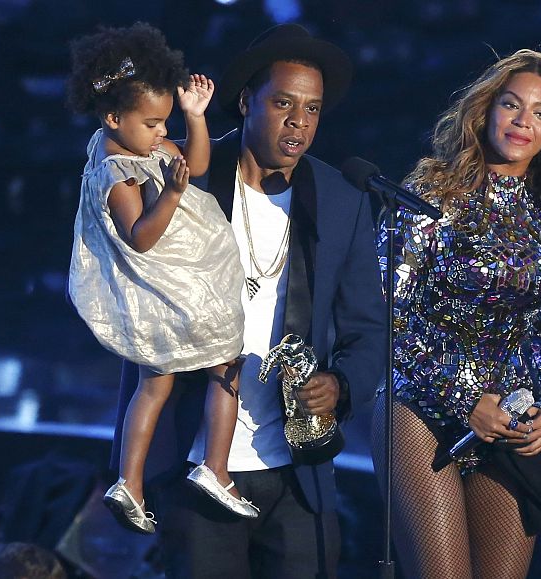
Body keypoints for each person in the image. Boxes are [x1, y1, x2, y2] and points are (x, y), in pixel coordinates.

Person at [110, 23, 386, 578]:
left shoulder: (341, 200)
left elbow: (368, 327)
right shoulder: (188, 177)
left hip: (296, 470)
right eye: (283, 103)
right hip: (195, 460)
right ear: (245, 102)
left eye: (312, 109)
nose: (298, 122)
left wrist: (340, 384)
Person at [371, 49, 541, 579]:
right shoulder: (432, 190)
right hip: (418, 406)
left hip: (506, 423)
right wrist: (462, 397)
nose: (523, 121)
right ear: (485, 110)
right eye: (512, 105)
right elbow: (385, 315)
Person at [67, 22, 259, 535]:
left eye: (164, 123)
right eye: (153, 123)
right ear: (113, 116)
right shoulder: (116, 171)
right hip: (174, 289)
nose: (160, 133)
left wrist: (194, 120)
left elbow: (194, 163)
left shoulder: (140, 144)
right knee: (225, 366)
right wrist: (170, 196)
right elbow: (140, 237)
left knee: (160, 383)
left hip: (191, 277)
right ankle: (212, 469)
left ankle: (130, 483)